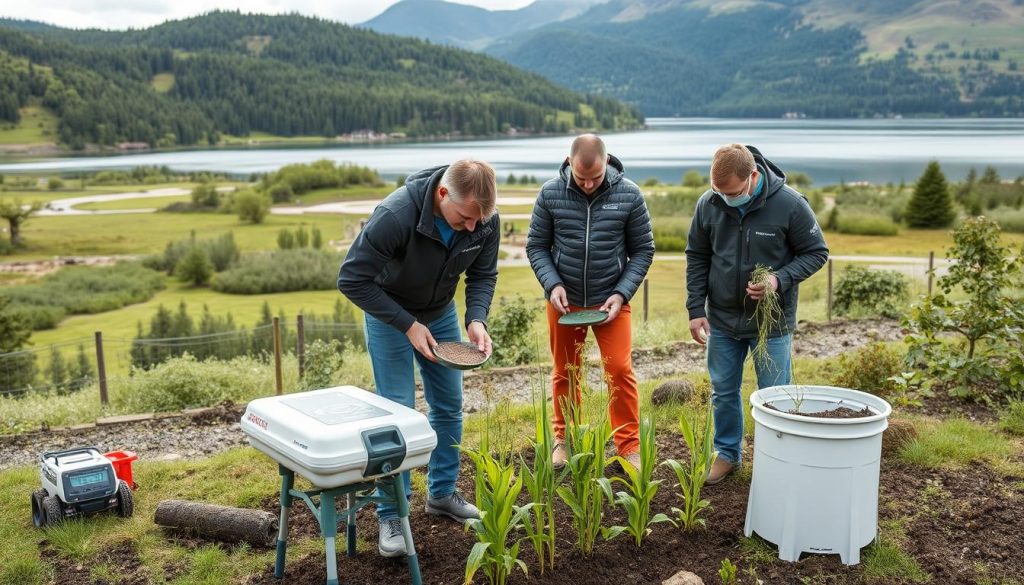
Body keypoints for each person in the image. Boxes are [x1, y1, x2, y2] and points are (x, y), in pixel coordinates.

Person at [337, 159, 499, 557]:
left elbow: (482, 275)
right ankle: (392, 512)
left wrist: (476, 318)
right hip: (390, 313)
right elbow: (351, 279)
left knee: (449, 406)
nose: (473, 228)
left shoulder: (483, 218)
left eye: (479, 220)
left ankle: (442, 494)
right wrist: (408, 325)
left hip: (440, 313)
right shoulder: (396, 215)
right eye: (464, 219)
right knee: (397, 415)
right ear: (443, 194)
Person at [685, 144, 828, 484]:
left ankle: (776, 459)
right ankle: (728, 455)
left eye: (732, 192)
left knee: (775, 395)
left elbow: (816, 252)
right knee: (722, 390)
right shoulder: (709, 203)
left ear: (753, 176)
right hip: (721, 319)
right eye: (719, 191)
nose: (725, 198)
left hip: (771, 323)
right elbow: (697, 257)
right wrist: (695, 308)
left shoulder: (791, 205)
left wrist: (779, 279)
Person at [526, 134, 655, 471]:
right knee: (565, 372)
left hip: (610, 301)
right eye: (580, 178)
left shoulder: (629, 195)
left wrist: (621, 292)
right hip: (564, 303)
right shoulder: (550, 193)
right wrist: (551, 284)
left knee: (619, 370)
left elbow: (643, 250)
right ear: (569, 163)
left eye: (594, 178)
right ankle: (564, 441)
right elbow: (536, 246)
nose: (586, 184)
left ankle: (628, 448)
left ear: (607, 162)